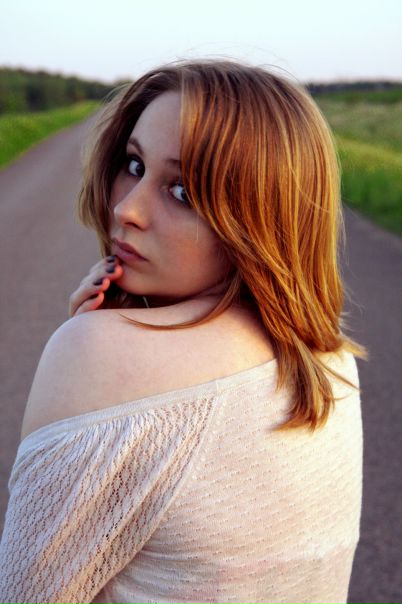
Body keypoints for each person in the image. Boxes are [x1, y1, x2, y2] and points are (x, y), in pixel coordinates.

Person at [0, 59, 365, 604]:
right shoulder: (330, 357)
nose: (126, 208)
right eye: (133, 164)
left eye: (183, 192)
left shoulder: (93, 352)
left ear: (261, 219)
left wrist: (96, 341)